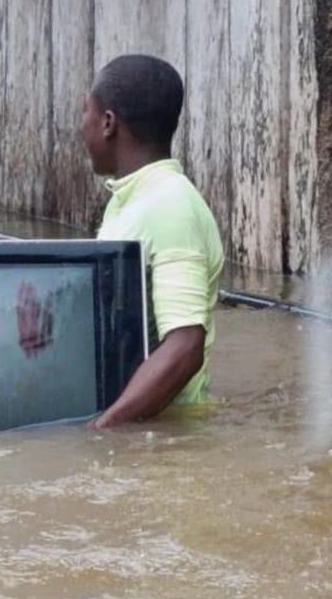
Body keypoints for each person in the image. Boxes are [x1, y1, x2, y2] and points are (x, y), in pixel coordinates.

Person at [82, 55, 224, 428]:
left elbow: (185, 346)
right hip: (139, 427)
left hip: (166, 438)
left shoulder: (170, 206)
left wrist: (103, 429)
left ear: (108, 123)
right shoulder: (130, 200)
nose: (82, 126)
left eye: (86, 112)